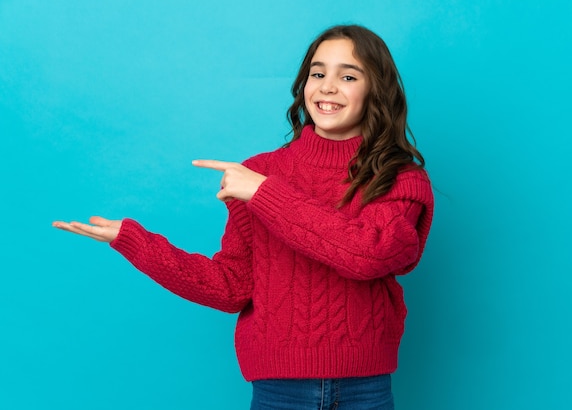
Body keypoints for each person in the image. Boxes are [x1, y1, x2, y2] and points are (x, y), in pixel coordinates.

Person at [53, 24, 434, 410]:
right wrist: (136, 243)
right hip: (278, 391)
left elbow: (370, 254)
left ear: (375, 90)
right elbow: (230, 287)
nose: (328, 86)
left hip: (365, 389)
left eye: (348, 76)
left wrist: (265, 193)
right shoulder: (259, 171)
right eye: (318, 74)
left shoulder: (400, 177)